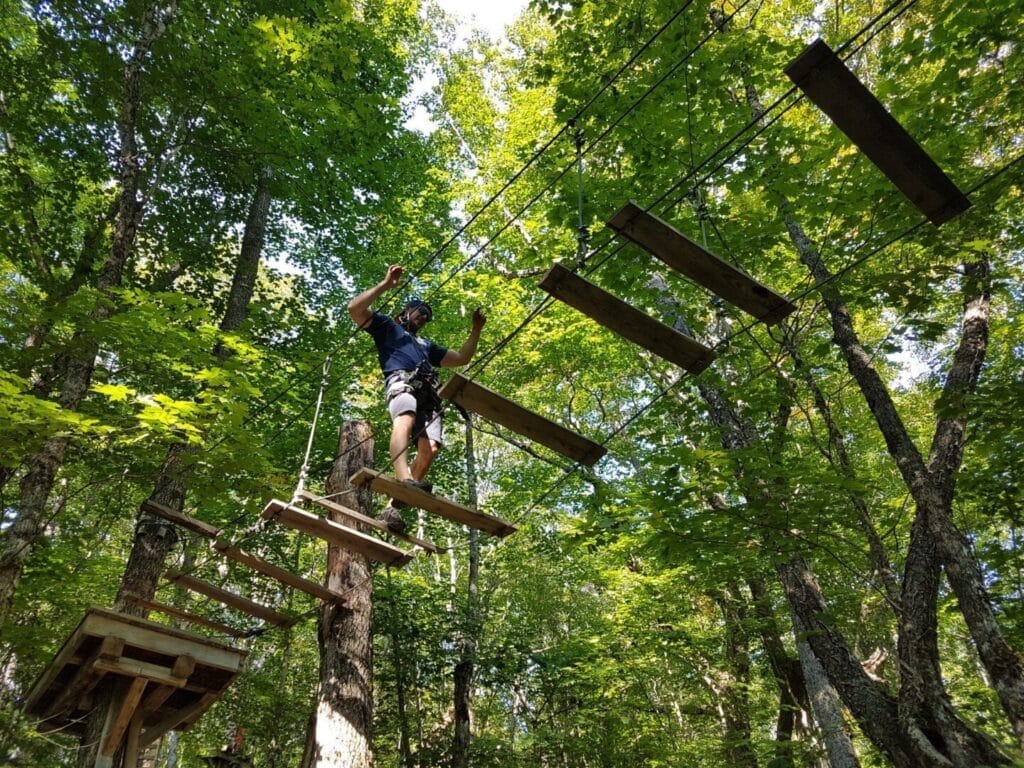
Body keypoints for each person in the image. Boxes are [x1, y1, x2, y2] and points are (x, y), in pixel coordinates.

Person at [348, 264, 486, 532]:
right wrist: (386, 285)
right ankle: (403, 478)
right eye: (420, 313)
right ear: (405, 312)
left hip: (428, 393)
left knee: (430, 449)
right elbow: (355, 309)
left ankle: (392, 508)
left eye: (427, 317)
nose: (423, 318)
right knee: (405, 418)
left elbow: (462, 358)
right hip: (401, 380)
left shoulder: (426, 347)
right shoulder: (388, 327)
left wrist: (476, 330)